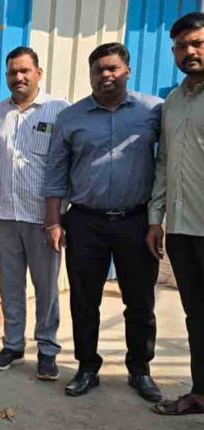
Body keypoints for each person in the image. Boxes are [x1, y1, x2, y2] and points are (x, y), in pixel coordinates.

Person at [44, 42, 162, 401]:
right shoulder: (71, 117)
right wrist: (53, 222)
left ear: (127, 71)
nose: (105, 75)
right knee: (84, 300)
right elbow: (55, 172)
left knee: (139, 301)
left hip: (136, 221)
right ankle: (86, 367)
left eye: (113, 68)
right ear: (90, 74)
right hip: (85, 222)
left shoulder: (153, 111)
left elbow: (168, 162)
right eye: (98, 69)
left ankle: (140, 369)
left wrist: (159, 219)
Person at [0, 47, 68, 380]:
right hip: (5, 213)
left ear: (38, 73)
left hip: (43, 216)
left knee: (46, 288)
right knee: (11, 285)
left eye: (24, 71)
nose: (18, 77)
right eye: (12, 72)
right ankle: (12, 345)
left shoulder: (58, 110)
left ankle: (47, 350)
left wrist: (59, 216)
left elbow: (67, 163)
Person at [147, 12, 204, 416]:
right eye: (181, 46)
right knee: (196, 316)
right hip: (183, 230)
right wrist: (156, 218)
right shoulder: (174, 102)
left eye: (198, 43)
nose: (189, 52)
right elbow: (164, 163)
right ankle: (200, 392)